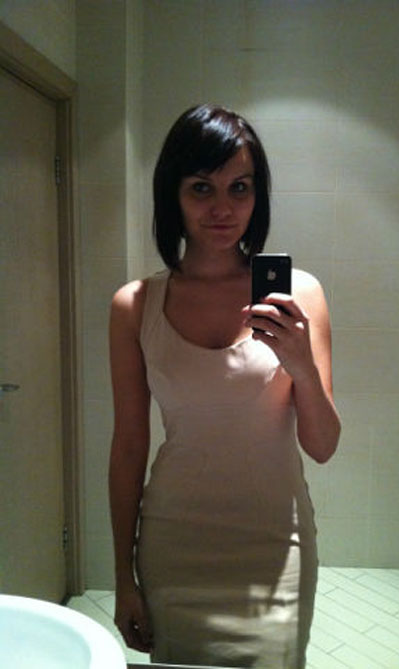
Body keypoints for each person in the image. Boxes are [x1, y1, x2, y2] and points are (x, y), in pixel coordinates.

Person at [108, 103, 341, 668]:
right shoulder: (135, 305)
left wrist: (301, 367)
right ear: (173, 194)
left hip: (275, 548)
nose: (222, 208)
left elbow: (323, 446)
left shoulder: (300, 294)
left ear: (258, 195)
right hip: (172, 546)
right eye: (201, 188)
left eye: (240, 187)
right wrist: (122, 575)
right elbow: (130, 445)